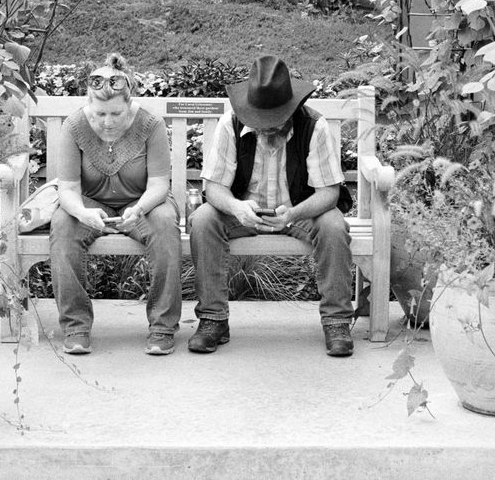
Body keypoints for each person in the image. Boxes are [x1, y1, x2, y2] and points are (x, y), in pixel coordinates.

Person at [188, 55, 355, 357]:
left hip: (300, 211)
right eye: (259, 121)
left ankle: (337, 322)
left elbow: (329, 193)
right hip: (243, 212)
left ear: (290, 110)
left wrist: (293, 214)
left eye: (273, 121)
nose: (265, 128)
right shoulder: (230, 124)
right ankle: (213, 319)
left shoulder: (314, 126)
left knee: (333, 225)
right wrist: (237, 208)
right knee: (202, 220)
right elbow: (213, 188)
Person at [49, 54, 182, 356]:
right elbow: (67, 189)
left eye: (116, 114)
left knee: (164, 224)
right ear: (89, 104)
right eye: (100, 114)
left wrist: (139, 209)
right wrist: (82, 213)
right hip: (89, 205)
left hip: (144, 202)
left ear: (129, 102)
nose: (107, 122)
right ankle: (76, 327)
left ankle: (162, 328)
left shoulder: (151, 125)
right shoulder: (74, 126)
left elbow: (159, 185)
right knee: (63, 224)